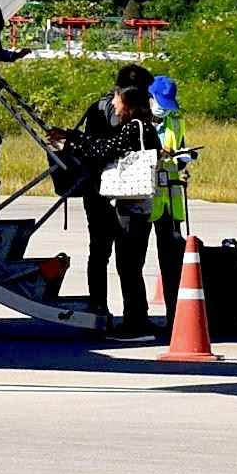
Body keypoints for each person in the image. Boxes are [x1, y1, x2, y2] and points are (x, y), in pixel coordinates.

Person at [79, 65, 175, 331]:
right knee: (124, 257)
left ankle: (107, 313)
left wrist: (71, 141)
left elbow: (98, 149)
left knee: (108, 254)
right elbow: (103, 149)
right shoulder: (136, 120)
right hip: (115, 193)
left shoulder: (114, 113)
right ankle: (131, 314)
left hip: (108, 192)